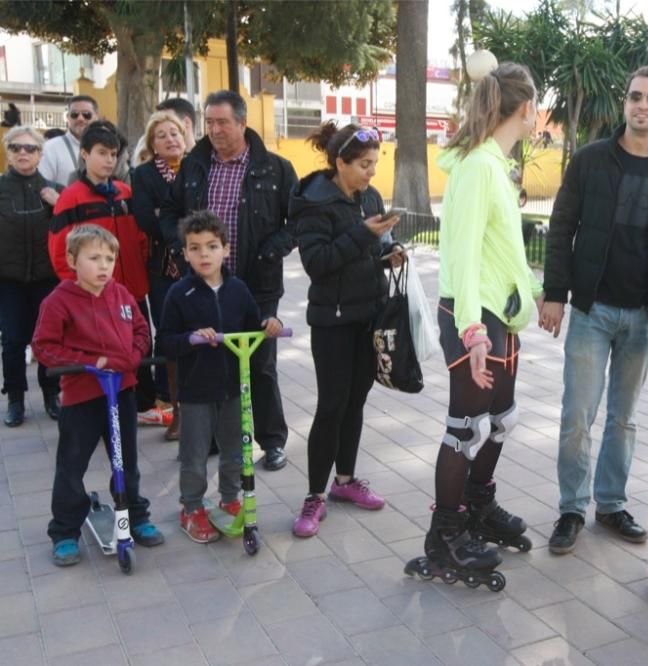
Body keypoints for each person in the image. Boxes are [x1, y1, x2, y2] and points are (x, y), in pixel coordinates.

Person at [540, 66, 648, 553]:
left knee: (624, 419)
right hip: (592, 310)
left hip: (645, 315)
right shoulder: (589, 161)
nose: (642, 106)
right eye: (635, 97)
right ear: (624, 103)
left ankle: (609, 504)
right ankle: (571, 508)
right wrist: (554, 295)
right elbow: (562, 227)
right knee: (577, 416)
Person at [409, 62, 541, 582]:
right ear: (526, 107)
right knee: (465, 430)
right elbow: (459, 255)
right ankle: (445, 536)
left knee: (500, 420)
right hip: (475, 319)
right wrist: (472, 329)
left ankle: (476, 509)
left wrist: (533, 292)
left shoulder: (495, 164)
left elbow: (502, 249)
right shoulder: (476, 167)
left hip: (499, 318)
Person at [160, 89, 298, 471]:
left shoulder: (275, 168)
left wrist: (272, 249)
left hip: (256, 282)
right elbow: (170, 210)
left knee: (260, 365)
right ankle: (216, 440)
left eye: (222, 122)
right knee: (209, 362)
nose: (215, 130)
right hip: (203, 285)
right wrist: (179, 246)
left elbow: (298, 220)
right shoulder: (195, 165)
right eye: (209, 122)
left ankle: (271, 441)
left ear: (242, 123)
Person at [288, 123, 402, 537]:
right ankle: (314, 496)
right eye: (364, 165)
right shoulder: (313, 202)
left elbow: (373, 247)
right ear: (340, 163)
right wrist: (361, 235)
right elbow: (317, 264)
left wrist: (389, 251)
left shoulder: (369, 196)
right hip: (332, 320)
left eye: (375, 164)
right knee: (331, 406)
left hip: (368, 315)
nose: (372, 173)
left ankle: (346, 482)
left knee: (356, 402)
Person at [32, 224, 164, 566]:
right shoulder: (58, 301)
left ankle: (135, 516)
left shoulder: (120, 294)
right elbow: (45, 347)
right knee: (71, 465)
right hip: (82, 396)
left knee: (127, 461)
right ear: (73, 260)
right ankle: (64, 531)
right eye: (94, 258)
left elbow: (139, 331)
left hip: (121, 391)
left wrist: (133, 357)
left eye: (109, 258)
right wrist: (87, 363)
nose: (103, 265)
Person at [158, 211, 282, 542]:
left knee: (235, 451)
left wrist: (270, 324)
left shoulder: (238, 290)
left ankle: (229, 500)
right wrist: (191, 338)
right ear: (184, 253)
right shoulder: (178, 294)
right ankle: (192, 506)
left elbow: (253, 327)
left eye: (211, 246)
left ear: (226, 250)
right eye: (195, 248)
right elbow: (166, 341)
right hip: (196, 390)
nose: (204, 255)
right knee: (194, 454)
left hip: (233, 388)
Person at [47, 120, 161, 422]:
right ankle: (101, 412)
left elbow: (140, 238)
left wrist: (141, 276)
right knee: (102, 350)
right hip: (94, 296)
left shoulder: (125, 193)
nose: (109, 160)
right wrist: (80, 290)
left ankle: (141, 405)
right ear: (84, 154)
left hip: (132, 291)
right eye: (101, 153)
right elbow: (60, 251)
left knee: (140, 343)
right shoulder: (72, 198)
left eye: (113, 154)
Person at [0, 126, 63, 426]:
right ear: (8, 152)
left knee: (47, 339)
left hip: (46, 278)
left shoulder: (53, 189)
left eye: (30, 148)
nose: (22, 153)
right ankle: (15, 398)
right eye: (15, 148)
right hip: (8, 279)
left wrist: (58, 204)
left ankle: (51, 393)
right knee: (13, 341)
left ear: (40, 153)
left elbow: (71, 231)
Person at [132, 110, 188, 440]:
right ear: (153, 144)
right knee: (168, 333)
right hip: (163, 268)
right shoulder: (143, 174)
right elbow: (145, 219)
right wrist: (179, 221)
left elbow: (206, 213)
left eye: (175, 132)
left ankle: (200, 408)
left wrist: (165, 214)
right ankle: (173, 406)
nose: (170, 139)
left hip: (198, 264)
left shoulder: (199, 167)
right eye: (161, 135)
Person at [38, 95, 99, 186]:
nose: (80, 118)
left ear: (96, 117)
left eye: (86, 114)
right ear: (68, 117)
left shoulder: (107, 147)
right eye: (74, 114)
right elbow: (42, 185)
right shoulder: (51, 148)